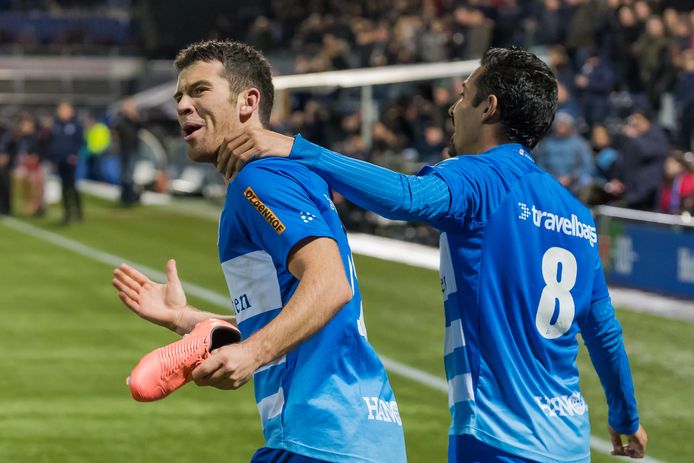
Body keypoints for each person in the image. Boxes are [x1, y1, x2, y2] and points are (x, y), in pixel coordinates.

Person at [219, 47, 648, 463]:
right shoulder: (577, 215)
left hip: (498, 438)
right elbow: (603, 330)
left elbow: (407, 197)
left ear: (488, 108)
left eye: (463, 95)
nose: (452, 108)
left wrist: (299, 149)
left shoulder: (482, 178)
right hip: (569, 445)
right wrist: (625, 415)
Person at [111, 39, 406, 463]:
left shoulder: (260, 181)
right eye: (179, 95)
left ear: (248, 102)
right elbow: (292, 312)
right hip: (357, 435)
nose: (182, 106)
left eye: (198, 91)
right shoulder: (277, 177)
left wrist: (252, 353)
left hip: (321, 438)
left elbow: (330, 283)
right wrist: (186, 319)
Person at [50, 101, 83, 224]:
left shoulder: (76, 125)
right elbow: (53, 142)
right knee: (63, 186)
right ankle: (67, 212)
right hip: (60, 159)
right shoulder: (56, 125)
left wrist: (74, 154)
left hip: (71, 160)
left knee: (72, 185)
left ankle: (78, 211)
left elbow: (80, 141)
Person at [113, 98, 141, 206]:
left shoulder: (135, 119)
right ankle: (125, 197)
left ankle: (129, 198)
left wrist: (134, 116)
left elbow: (142, 127)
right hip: (123, 149)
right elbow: (116, 128)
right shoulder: (121, 119)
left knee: (128, 175)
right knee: (124, 175)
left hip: (132, 149)